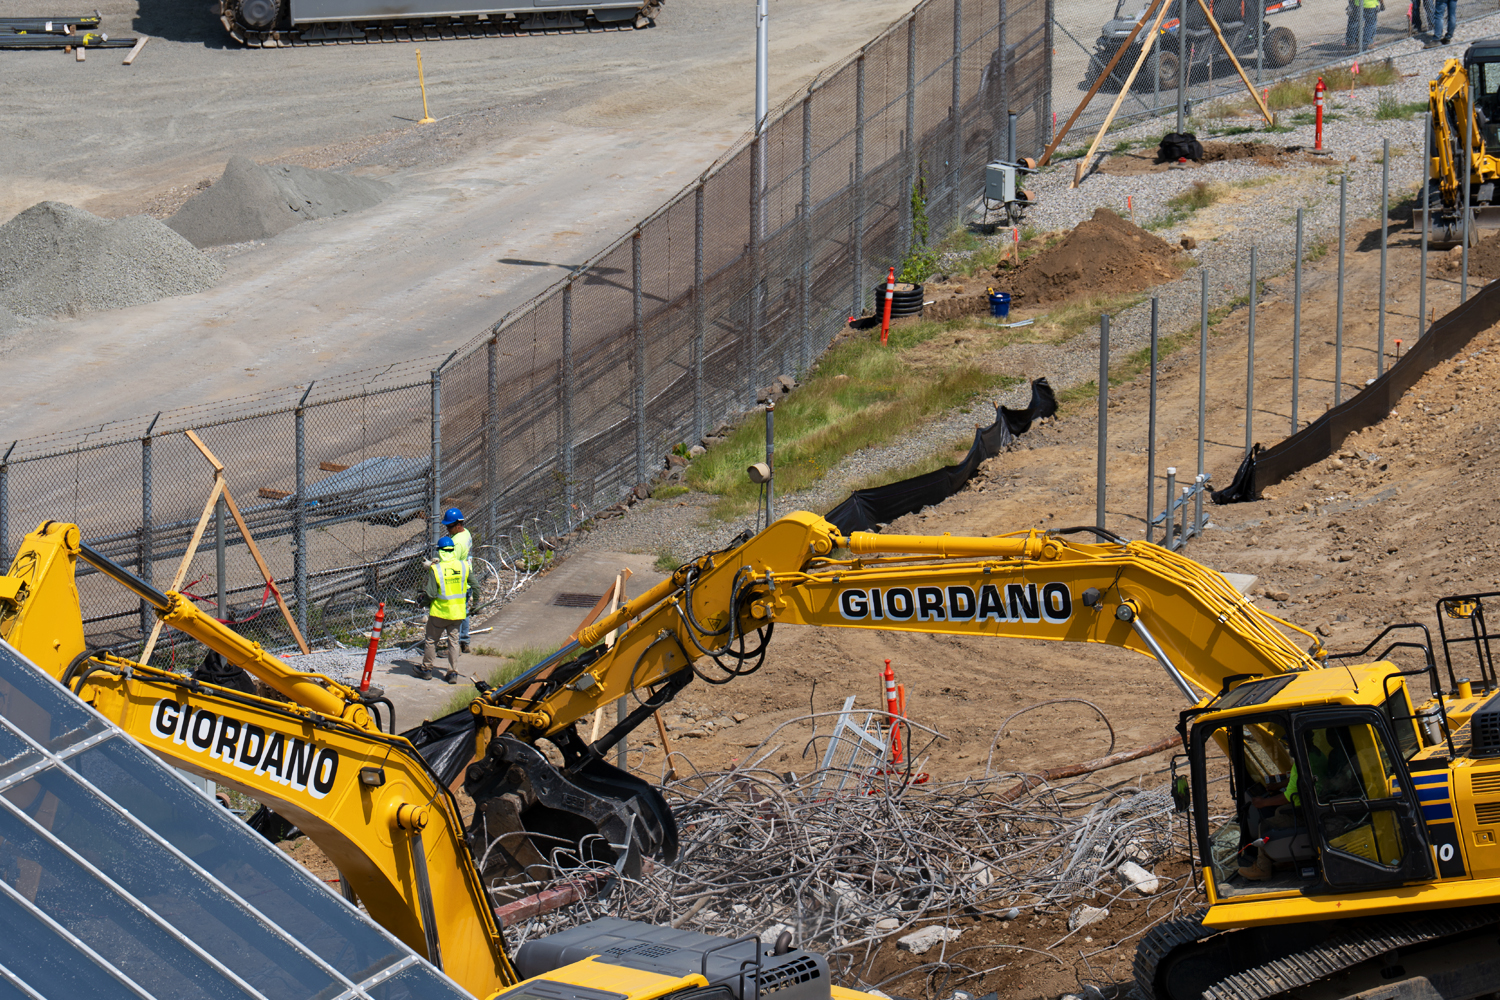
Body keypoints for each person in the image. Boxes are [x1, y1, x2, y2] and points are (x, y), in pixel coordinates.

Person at [422, 535, 468, 683]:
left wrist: (422, 602)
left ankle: (427, 669)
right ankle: (452, 672)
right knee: (454, 642)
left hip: (439, 613)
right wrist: (475, 602)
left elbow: (431, 593)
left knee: (431, 640)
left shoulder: (436, 569)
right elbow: (473, 584)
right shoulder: (463, 566)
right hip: (457, 613)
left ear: (439, 551)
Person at [443, 507, 474, 653]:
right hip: (466, 578)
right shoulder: (466, 533)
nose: (447, 529)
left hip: (458, 581)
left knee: (454, 615)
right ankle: (464, 641)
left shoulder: (456, 544)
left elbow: (450, 564)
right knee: (464, 611)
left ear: (458, 525)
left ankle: (453, 647)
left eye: (450, 526)